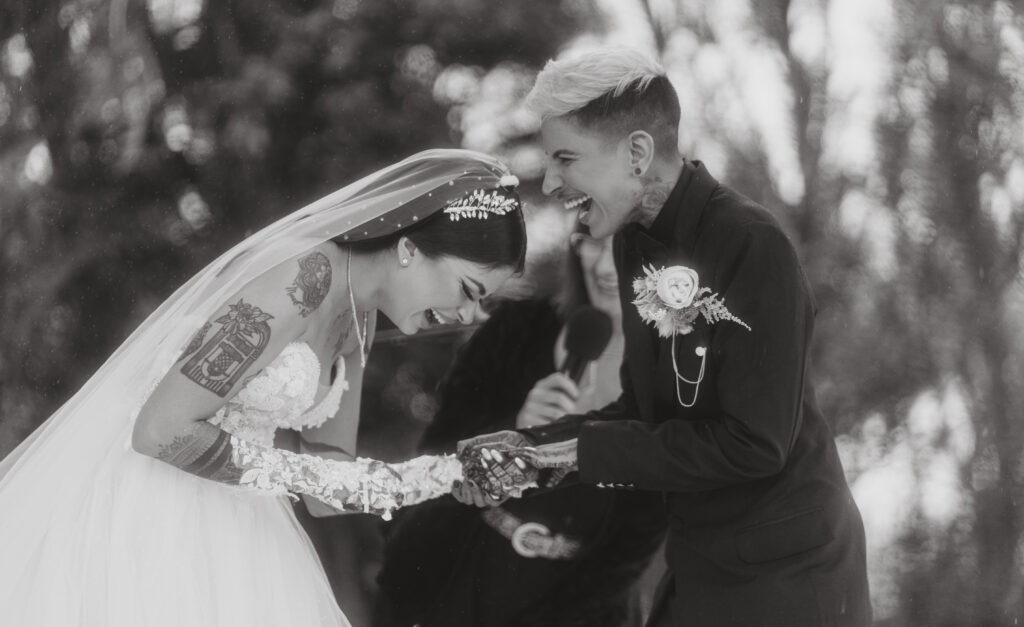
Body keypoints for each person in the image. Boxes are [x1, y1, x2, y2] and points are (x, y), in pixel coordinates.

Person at [0, 149, 526, 627]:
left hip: (237, 514)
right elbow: (159, 431)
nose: (466, 315)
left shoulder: (358, 321)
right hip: (146, 499)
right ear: (410, 247)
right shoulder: (300, 279)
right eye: (468, 289)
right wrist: (332, 478)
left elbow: (327, 478)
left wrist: (446, 474)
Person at [458, 48, 872, 626]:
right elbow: (644, 410)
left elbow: (755, 443)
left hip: (786, 573)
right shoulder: (633, 240)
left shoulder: (753, 243)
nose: (551, 182)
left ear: (637, 153)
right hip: (700, 558)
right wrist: (528, 448)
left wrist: (576, 451)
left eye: (565, 159)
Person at [373, 229, 665, 627]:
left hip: (578, 608)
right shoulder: (517, 329)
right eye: (593, 241)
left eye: (622, 248)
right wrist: (514, 431)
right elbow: (436, 452)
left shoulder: (674, 380)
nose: (601, 266)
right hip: (459, 576)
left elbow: (636, 542)